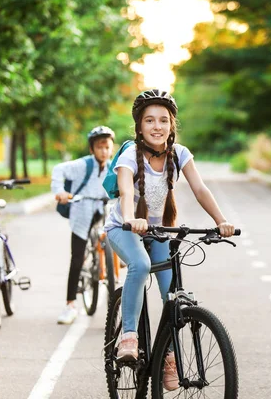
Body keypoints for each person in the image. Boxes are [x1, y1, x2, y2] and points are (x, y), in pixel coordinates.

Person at [103, 89, 235, 390]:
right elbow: (125, 191)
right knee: (139, 263)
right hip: (123, 228)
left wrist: (221, 221)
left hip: (160, 230)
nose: (157, 126)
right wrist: (130, 219)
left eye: (163, 120)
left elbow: (200, 189)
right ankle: (129, 337)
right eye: (149, 120)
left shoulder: (180, 154)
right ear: (139, 127)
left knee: (172, 294)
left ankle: (170, 356)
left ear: (172, 125)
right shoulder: (128, 156)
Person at [51, 126, 115, 324]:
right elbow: (58, 169)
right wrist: (60, 190)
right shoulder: (83, 165)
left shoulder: (113, 167)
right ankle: (70, 305)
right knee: (77, 257)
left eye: (107, 147)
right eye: (99, 147)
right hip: (81, 213)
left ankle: (109, 266)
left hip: (101, 212)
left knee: (116, 236)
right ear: (92, 149)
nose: (104, 151)